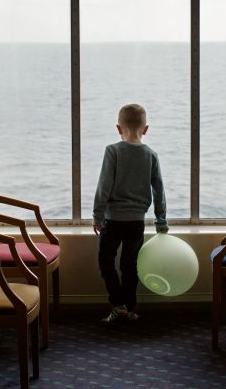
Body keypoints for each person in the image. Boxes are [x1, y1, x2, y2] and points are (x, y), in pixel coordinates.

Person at [93, 103, 168, 325]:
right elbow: (159, 190)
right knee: (130, 266)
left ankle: (118, 306)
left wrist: (97, 216)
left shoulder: (113, 151)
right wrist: (161, 221)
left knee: (106, 263)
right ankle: (129, 307)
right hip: (136, 222)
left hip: (112, 220)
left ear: (118, 128)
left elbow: (103, 186)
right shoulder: (151, 155)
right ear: (146, 129)